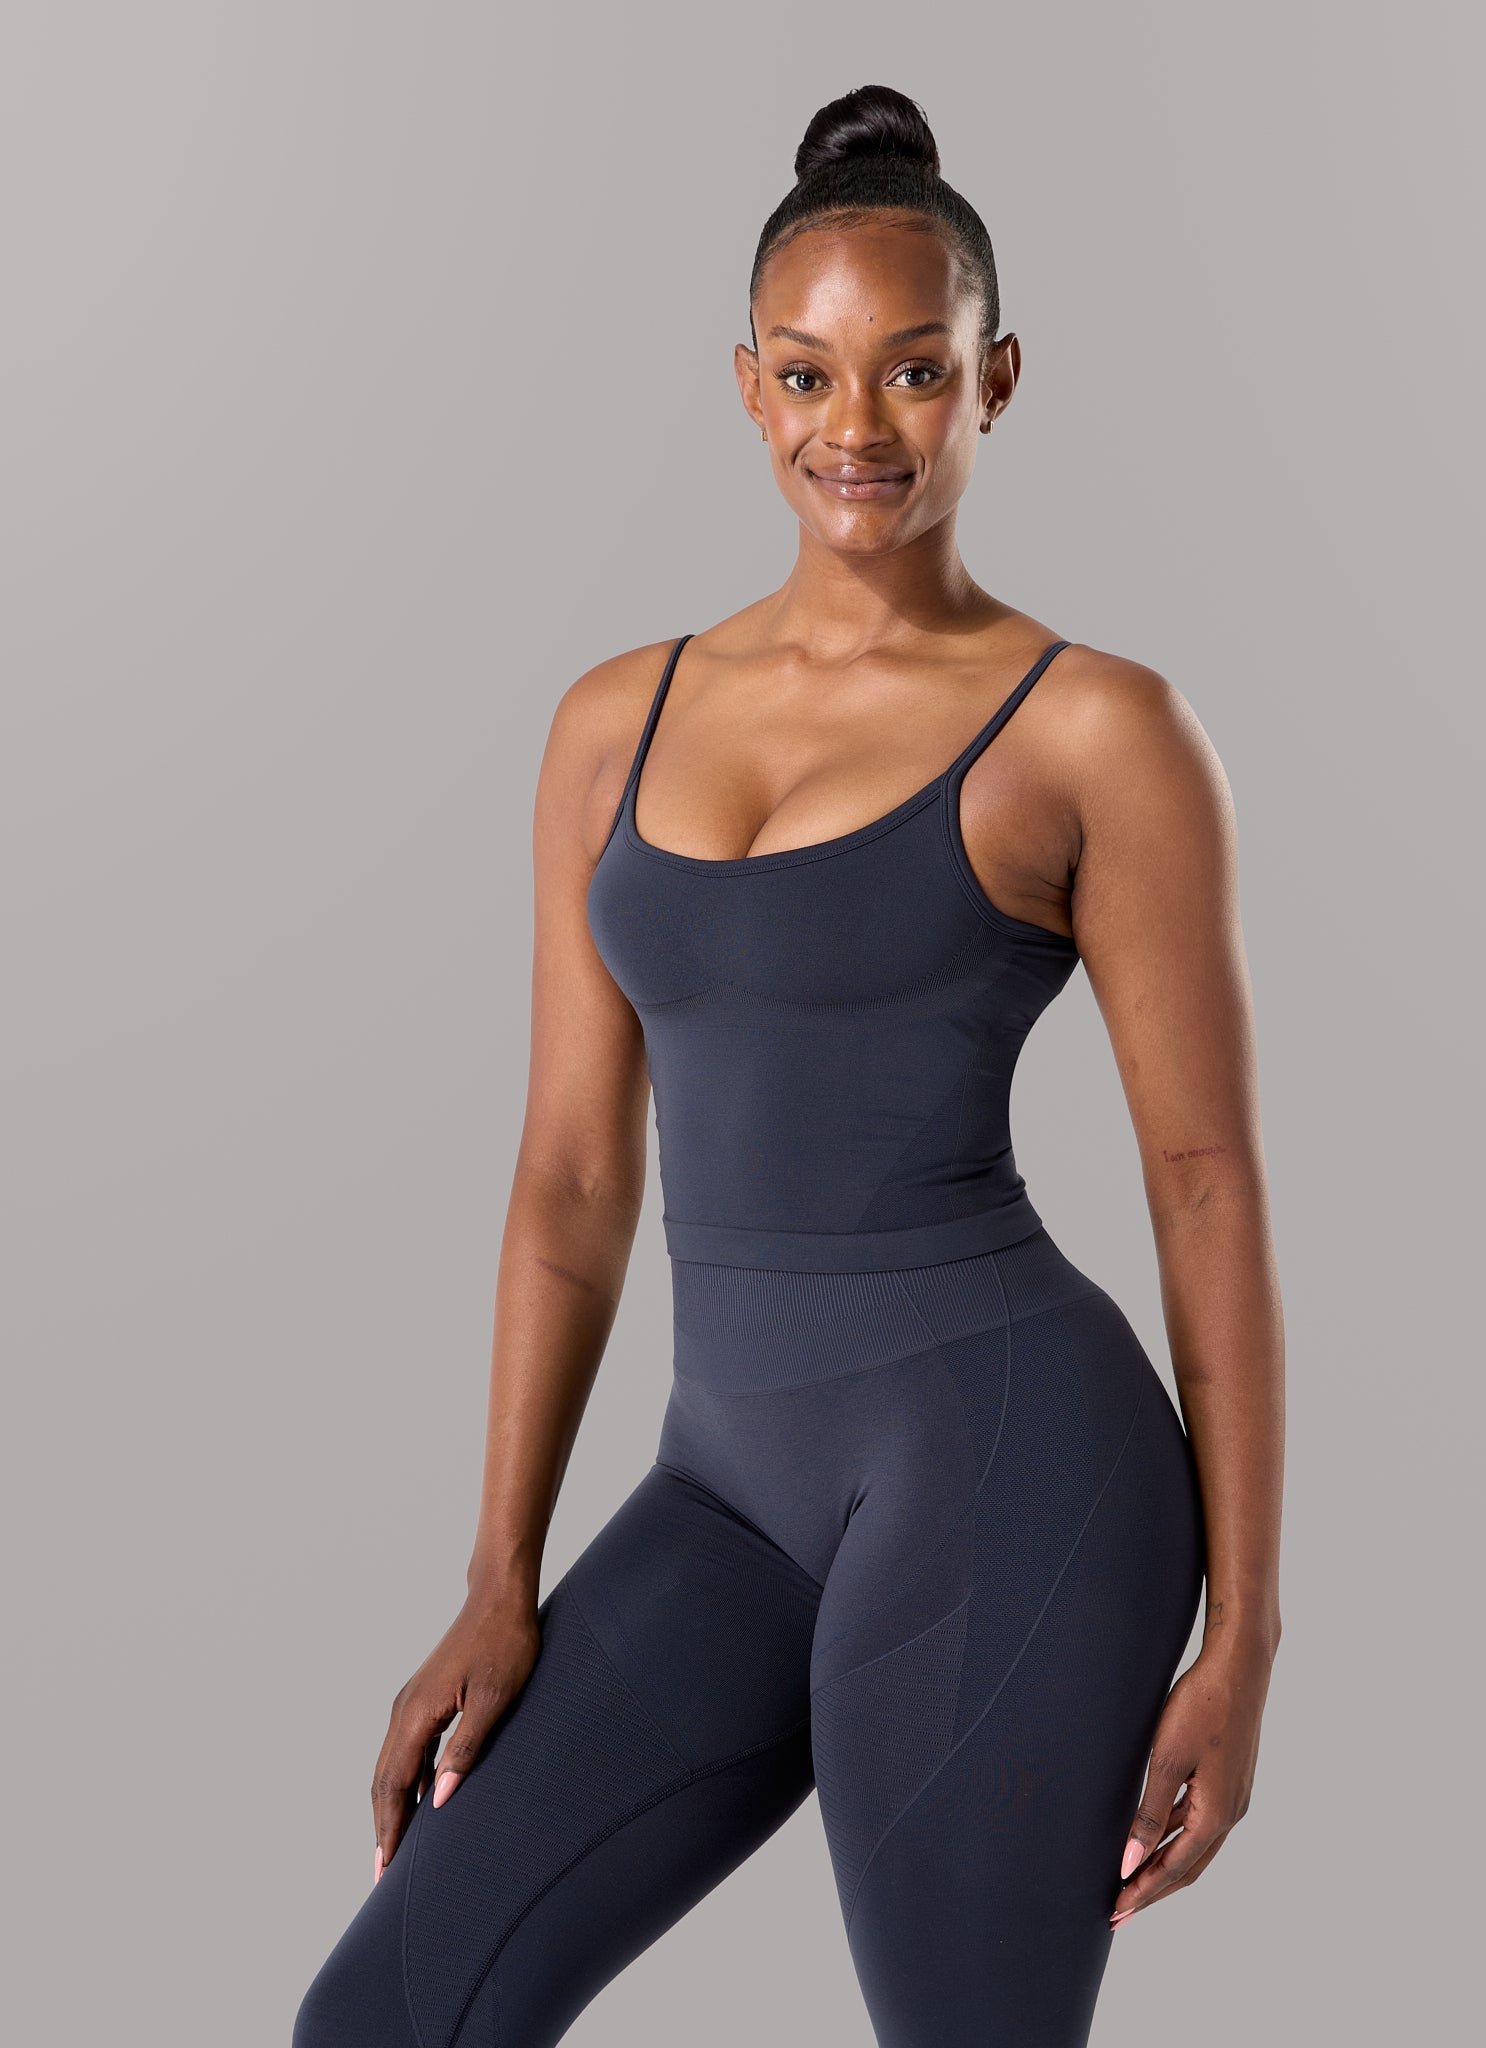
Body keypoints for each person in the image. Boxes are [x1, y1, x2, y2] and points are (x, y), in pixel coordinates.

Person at [292, 81, 1284, 2048]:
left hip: (1010, 1468)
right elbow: (573, 1183)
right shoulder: (611, 722)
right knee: (387, 2018)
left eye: (915, 369)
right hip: (724, 1484)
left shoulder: (1096, 732)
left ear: (995, 379)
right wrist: (497, 1576)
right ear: (747, 386)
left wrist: (1246, 1629)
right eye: (810, 374)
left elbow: (1204, 1181)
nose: (860, 427)